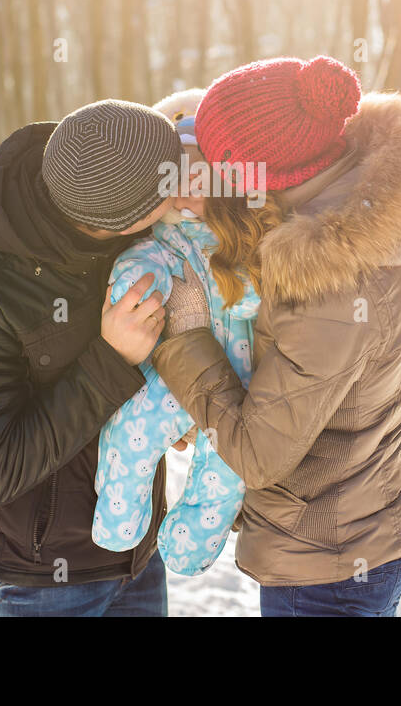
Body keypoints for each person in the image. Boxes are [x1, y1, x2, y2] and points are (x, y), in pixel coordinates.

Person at [153, 56, 401, 617]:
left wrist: (182, 338)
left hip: (325, 570)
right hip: (376, 529)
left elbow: (258, 455)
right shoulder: (370, 205)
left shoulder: (325, 282)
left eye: (216, 163)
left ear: (250, 176)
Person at [0, 99, 181, 616]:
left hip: (137, 555)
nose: (185, 198)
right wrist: (111, 359)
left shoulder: (130, 229)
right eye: (171, 189)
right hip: (40, 582)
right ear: (116, 220)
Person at [91, 89, 257, 577]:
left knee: (227, 465)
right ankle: (117, 523)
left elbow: (255, 292)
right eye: (175, 179)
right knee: (130, 433)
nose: (185, 193)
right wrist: (136, 285)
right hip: (169, 375)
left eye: (198, 178)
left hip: (234, 380)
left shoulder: (242, 239)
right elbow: (141, 266)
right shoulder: (161, 238)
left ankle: (192, 544)